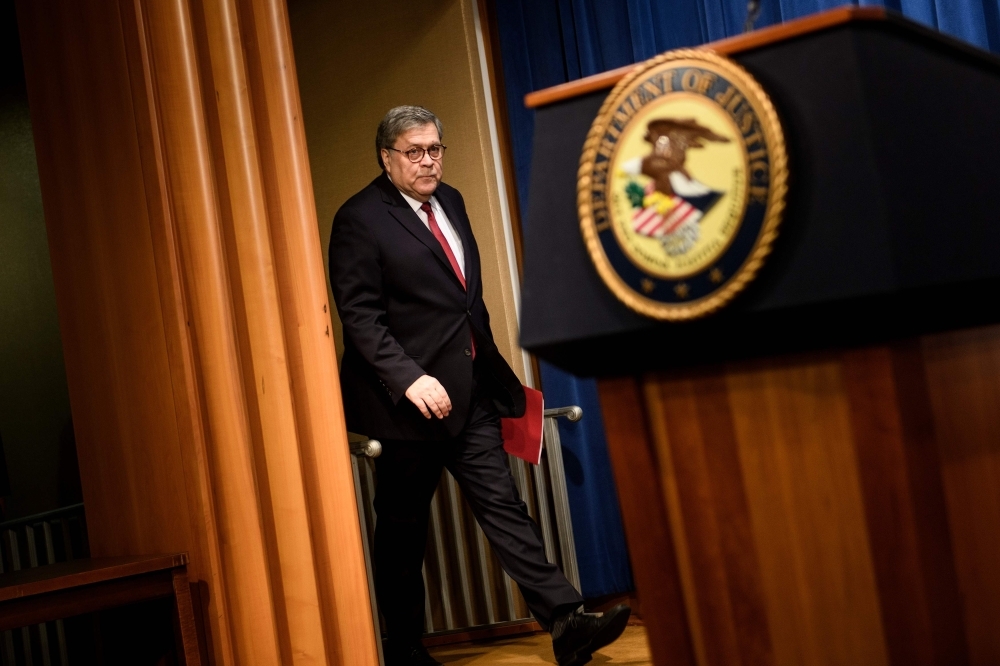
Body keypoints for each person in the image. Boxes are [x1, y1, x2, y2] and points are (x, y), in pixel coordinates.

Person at [329, 106, 631, 666]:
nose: (428, 161)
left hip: (468, 395)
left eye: (435, 149)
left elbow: (465, 303)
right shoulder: (359, 219)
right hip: (404, 406)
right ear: (386, 157)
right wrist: (409, 377)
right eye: (414, 152)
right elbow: (360, 317)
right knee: (402, 532)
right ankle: (405, 648)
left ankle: (565, 621)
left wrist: (491, 373)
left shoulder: (454, 201)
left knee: (504, 506)